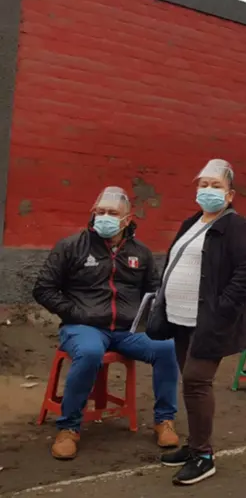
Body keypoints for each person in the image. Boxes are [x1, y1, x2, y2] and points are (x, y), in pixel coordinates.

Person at [33, 187, 179, 461]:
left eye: (112, 213)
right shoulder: (71, 246)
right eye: (100, 212)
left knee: (167, 348)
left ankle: (164, 420)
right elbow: (44, 288)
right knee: (89, 353)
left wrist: (150, 320)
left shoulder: (142, 253)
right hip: (83, 328)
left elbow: (154, 291)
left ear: (127, 219)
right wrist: (75, 312)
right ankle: (69, 428)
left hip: (127, 331)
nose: (105, 217)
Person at [159, 159, 246, 485]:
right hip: (180, 319)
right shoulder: (192, 222)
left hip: (209, 322)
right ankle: (193, 446)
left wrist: (221, 310)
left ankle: (203, 456)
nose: (207, 190)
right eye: (203, 184)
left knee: (196, 381)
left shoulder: (236, 226)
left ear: (230, 195)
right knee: (190, 383)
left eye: (215, 185)